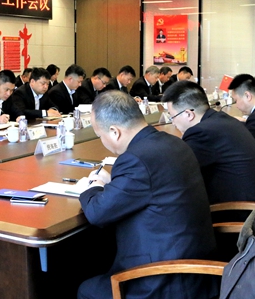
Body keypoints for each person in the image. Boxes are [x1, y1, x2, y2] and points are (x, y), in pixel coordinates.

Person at [78, 90, 216, 299]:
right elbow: (150, 185)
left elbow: (97, 213)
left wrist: (92, 187)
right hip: (196, 270)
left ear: (114, 132)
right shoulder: (174, 142)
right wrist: (112, 182)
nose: (102, 140)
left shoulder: (135, 159)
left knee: (85, 289)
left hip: (163, 280)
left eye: (100, 135)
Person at [162, 81, 255, 204]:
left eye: (172, 117)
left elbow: (178, 173)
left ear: (188, 114)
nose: (173, 122)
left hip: (237, 209)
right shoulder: (221, 120)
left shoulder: (201, 133)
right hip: (254, 200)